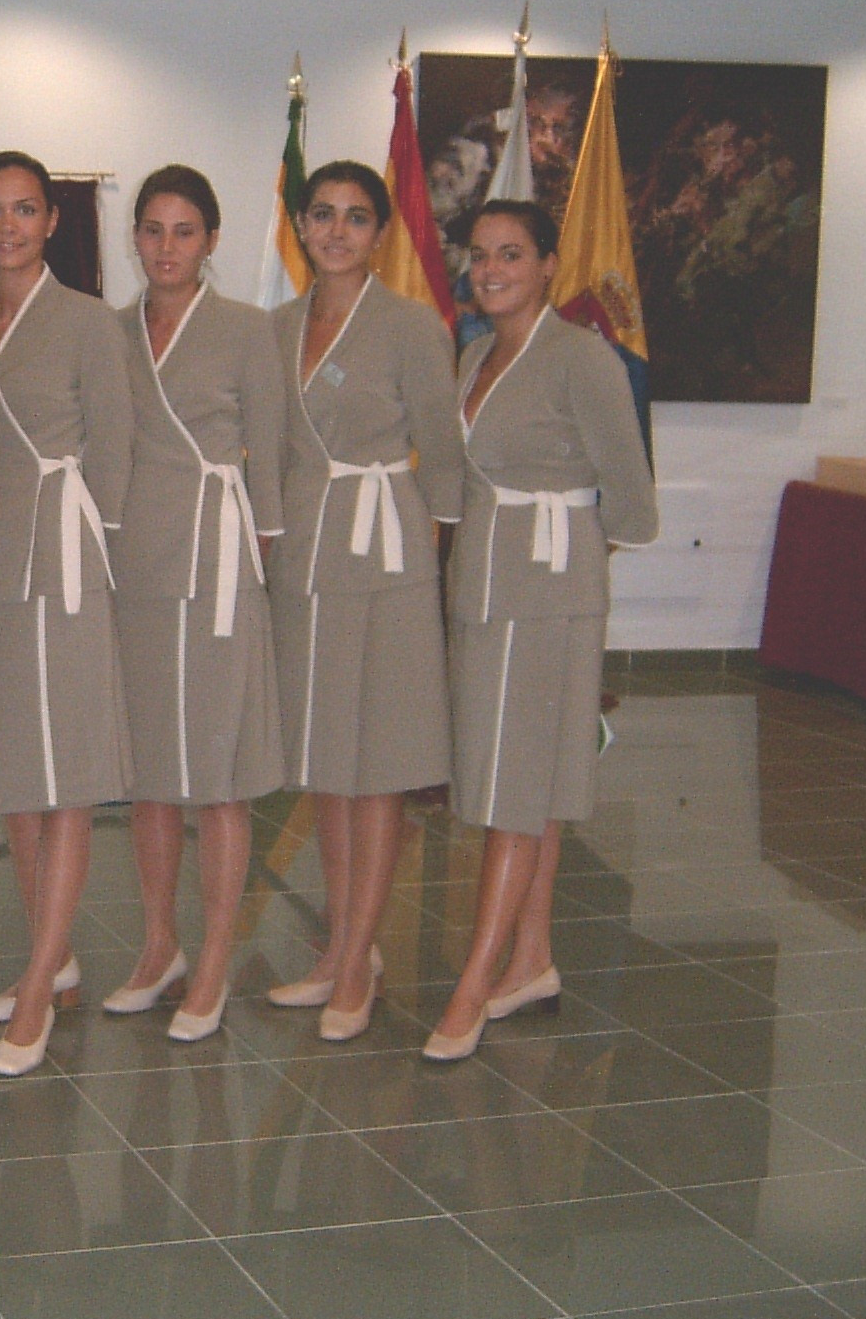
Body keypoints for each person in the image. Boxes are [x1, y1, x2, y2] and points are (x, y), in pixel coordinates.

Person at [426, 199, 657, 1062]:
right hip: (484, 593)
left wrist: (564, 558)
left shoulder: (583, 358)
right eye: (480, 254)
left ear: (549, 265)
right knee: (528, 784)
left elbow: (632, 503)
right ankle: (531, 961)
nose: (490, 270)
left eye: (511, 254)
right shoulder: (475, 355)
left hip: (549, 600)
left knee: (514, 794)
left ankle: (474, 984)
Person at [264, 161, 463, 1041]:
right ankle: (345, 945)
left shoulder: (412, 327)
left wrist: (436, 570)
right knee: (327, 769)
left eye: (355, 217)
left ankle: (354, 966)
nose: (336, 231)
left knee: (377, 768)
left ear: (380, 233)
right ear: (302, 226)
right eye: (322, 214)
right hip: (305, 561)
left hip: (386, 562)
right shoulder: (275, 328)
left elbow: (445, 458)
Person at [0, 151, 133, 1076]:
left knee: (65, 780)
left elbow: (117, 452)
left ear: (53, 220)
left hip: (61, 563)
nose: (7, 227)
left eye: (25, 209)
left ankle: (36, 994)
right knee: (18, 775)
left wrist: (94, 559)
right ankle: (47, 960)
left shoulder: (89, 322)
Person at [107, 165, 284, 1042]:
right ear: (134, 237)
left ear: (211, 240)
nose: (166, 247)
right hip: (138, 566)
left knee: (216, 778)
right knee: (148, 775)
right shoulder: (112, 333)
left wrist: (255, 568)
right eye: (152, 230)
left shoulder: (247, 330)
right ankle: (158, 946)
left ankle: (214, 956)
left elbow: (273, 461)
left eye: (184, 231)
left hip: (217, 565)